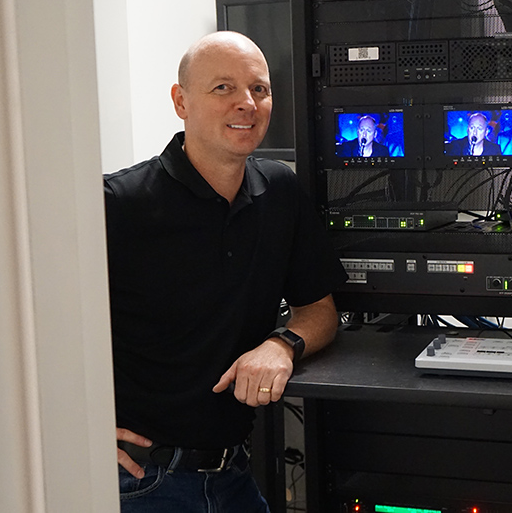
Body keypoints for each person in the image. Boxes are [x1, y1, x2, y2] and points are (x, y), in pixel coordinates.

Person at [104, 31, 347, 512]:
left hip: (232, 475)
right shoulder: (118, 204)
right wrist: (72, 425)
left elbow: (320, 311)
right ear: (181, 101)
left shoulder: (279, 192)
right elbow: (32, 328)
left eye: (259, 89)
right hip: (139, 481)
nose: (247, 104)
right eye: (223, 88)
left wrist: (283, 344)